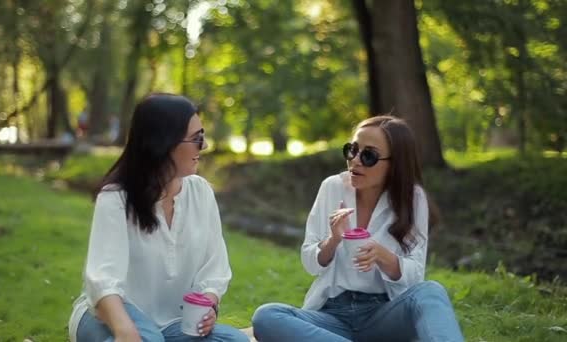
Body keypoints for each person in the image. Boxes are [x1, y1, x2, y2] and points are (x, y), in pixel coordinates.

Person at [252, 115, 464, 341]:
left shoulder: (413, 198)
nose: (355, 160)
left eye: (369, 155)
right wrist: (333, 240)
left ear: (395, 164)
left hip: (385, 314)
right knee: (266, 316)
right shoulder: (332, 188)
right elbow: (310, 263)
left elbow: (415, 277)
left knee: (430, 292)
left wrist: (385, 258)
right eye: (352, 150)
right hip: (332, 316)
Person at [67, 93, 249, 342]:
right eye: (197, 139)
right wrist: (124, 331)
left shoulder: (201, 192)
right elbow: (103, 281)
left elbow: (214, 268)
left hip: (174, 325)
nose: (204, 146)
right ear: (165, 142)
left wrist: (209, 302)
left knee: (235, 340)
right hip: (112, 317)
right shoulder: (116, 198)